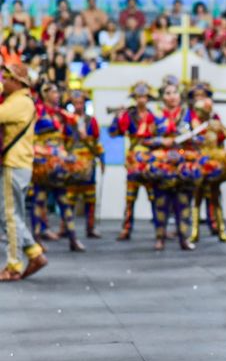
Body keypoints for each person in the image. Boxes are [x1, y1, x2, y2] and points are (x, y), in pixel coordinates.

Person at [0, 64, 47, 280]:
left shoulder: (20, 102)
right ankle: (34, 253)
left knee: (11, 216)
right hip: (18, 164)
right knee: (10, 215)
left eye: (6, 78)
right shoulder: (20, 101)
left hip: (15, 164)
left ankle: (13, 265)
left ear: (17, 82)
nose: (3, 82)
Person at [30, 83, 85, 252]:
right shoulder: (37, 112)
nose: (57, 95)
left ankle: (73, 238)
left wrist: (79, 129)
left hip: (58, 161)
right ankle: (36, 239)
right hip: (42, 159)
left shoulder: (61, 114)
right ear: (45, 93)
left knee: (64, 201)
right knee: (39, 200)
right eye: (53, 92)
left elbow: (77, 123)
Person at [187, 84, 226, 245]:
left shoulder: (215, 124)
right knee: (196, 198)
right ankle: (194, 232)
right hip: (197, 165)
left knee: (215, 198)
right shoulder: (190, 123)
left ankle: (221, 230)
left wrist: (224, 154)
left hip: (214, 165)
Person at [149, 80, 197, 251]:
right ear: (162, 97)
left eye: (174, 92)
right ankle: (160, 237)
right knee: (161, 202)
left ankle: (184, 237)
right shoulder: (154, 115)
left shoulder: (189, 114)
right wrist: (163, 141)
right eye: (167, 93)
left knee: (184, 202)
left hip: (184, 163)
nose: (172, 96)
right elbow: (145, 138)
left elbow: (199, 137)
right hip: (163, 164)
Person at [109, 81, 158, 240]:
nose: (141, 99)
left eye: (144, 96)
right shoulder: (129, 116)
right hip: (133, 160)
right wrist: (118, 118)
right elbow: (114, 133)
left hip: (149, 160)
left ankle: (159, 228)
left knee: (154, 196)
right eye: (138, 96)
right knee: (130, 197)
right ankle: (127, 228)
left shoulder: (153, 117)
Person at [64, 89, 105, 239]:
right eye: (75, 103)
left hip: (88, 161)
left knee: (90, 197)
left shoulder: (91, 121)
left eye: (80, 102)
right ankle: (65, 226)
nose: (78, 105)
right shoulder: (67, 120)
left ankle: (90, 227)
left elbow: (96, 141)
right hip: (72, 162)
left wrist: (101, 158)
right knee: (69, 196)